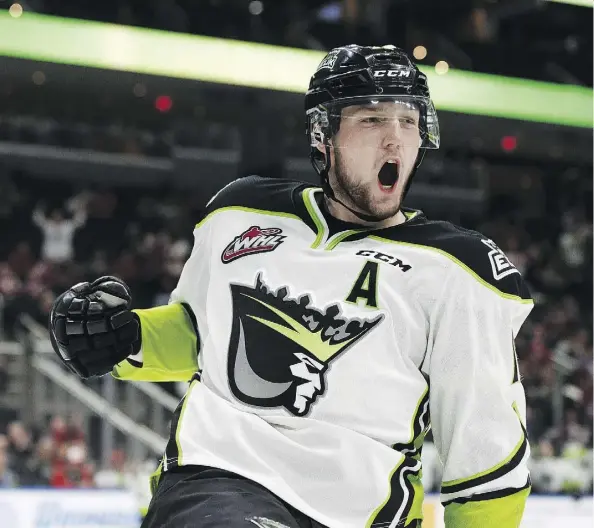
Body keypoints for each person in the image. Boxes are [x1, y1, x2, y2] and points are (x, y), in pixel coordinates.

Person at [48, 45, 533, 527]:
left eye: (408, 121)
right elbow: (202, 335)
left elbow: (486, 464)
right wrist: (123, 339)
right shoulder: (240, 212)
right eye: (371, 120)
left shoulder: (460, 270)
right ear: (324, 136)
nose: (395, 140)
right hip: (219, 480)